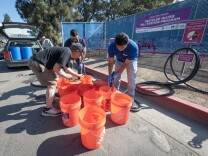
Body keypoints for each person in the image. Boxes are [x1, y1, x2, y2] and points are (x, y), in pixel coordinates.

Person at [28, 47, 82, 117]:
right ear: (77, 51)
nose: (79, 56)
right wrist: (65, 75)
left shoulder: (67, 53)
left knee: (55, 78)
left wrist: (77, 75)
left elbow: (67, 68)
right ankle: (48, 110)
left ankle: (52, 98)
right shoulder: (67, 52)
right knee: (52, 84)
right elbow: (56, 68)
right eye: (80, 53)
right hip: (37, 63)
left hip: (41, 63)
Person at [108, 32, 141, 112]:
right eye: (118, 46)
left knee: (131, 79)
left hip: (130, 61)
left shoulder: (133, 47)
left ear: (127, 43)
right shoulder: (112, 46)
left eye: (122, 47)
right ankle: (114, 93)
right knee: (116, 78)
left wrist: (117, 73)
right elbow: (110, 62)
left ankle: (131, 98)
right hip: (119, 60)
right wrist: (110, 75)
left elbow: (126, 63)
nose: (120, 49)